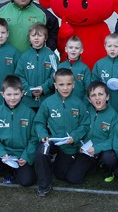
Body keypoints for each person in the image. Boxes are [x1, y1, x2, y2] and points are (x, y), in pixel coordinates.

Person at [34, 68, 90, 197]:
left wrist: (74, 137)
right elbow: (39, 122)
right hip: (53, 140)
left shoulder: (79, 103)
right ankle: (44, 185)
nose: (65, 88)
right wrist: (43, 135)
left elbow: (85, 125)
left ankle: (55, 161)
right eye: (61, 84)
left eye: (69, 84)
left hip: (69, 145)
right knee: (42, 151)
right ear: (55, 85)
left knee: (61, 175)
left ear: (73, 84)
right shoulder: (48, 102)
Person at [0, 75, 38, 186]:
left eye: (16, 94)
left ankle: (19, 171)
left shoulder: (30, 113)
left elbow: (35, 137)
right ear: (3, 94)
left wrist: (26, 156)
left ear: (22, 93)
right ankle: (8, 173)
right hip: (5, 155)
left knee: (27, 181)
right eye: (9, 94)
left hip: (22, 154)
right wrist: (2, 154)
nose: (12, 98)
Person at [66, 81, 118, 184]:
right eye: (93, 95)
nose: (97, 98)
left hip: (103, 151)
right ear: (89, 99)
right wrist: (79, 147)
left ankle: (108, 171)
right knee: (72, 178)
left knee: (109, 158)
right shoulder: (85, 111)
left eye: (100, 94)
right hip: (87, 151)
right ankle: (93, 166)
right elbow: (78, 131)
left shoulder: (114, 115)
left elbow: (114, 140)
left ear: (107, 97)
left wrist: (97, 148)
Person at [15, 23, 59, 112]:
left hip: (47, 100)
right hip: (27, 101)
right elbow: (19, 76)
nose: (36, 38)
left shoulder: (52, 56)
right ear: (29, 38)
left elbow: (56, 76)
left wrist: (44, 88)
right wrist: (29, 90)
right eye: (33, 35)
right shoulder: (24, 57)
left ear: (45, 38)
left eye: (40, 35)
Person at [92, 33, 118, 117]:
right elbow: (93, 83)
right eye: (109, 46)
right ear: (105, 46)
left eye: (116, 46)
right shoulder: (99, 64)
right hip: (104, 103)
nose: (112, 49)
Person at [58, 35, 91, 101]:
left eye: (76, 48)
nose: (73, 50)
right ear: (66, 49)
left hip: (79, 103)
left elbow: (88, 89)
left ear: (81, 51)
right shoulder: (60, 66)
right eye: (70, 47)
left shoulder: (84, 68)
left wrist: (83, 104)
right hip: (63, 103)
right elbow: (56, 86)